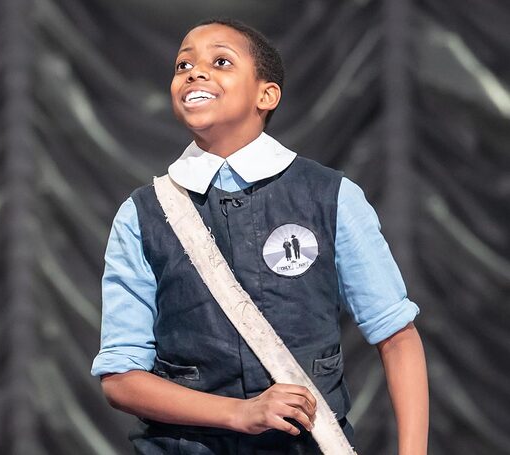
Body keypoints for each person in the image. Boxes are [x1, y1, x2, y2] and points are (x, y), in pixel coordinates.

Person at [91, 18, 428, 454]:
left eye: (221, 61)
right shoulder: (142, 214)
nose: (195, 72)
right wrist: (240, 413)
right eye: (182, 64)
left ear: (265, 95)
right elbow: (121, 380)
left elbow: (398, 337)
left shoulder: (329, 196)